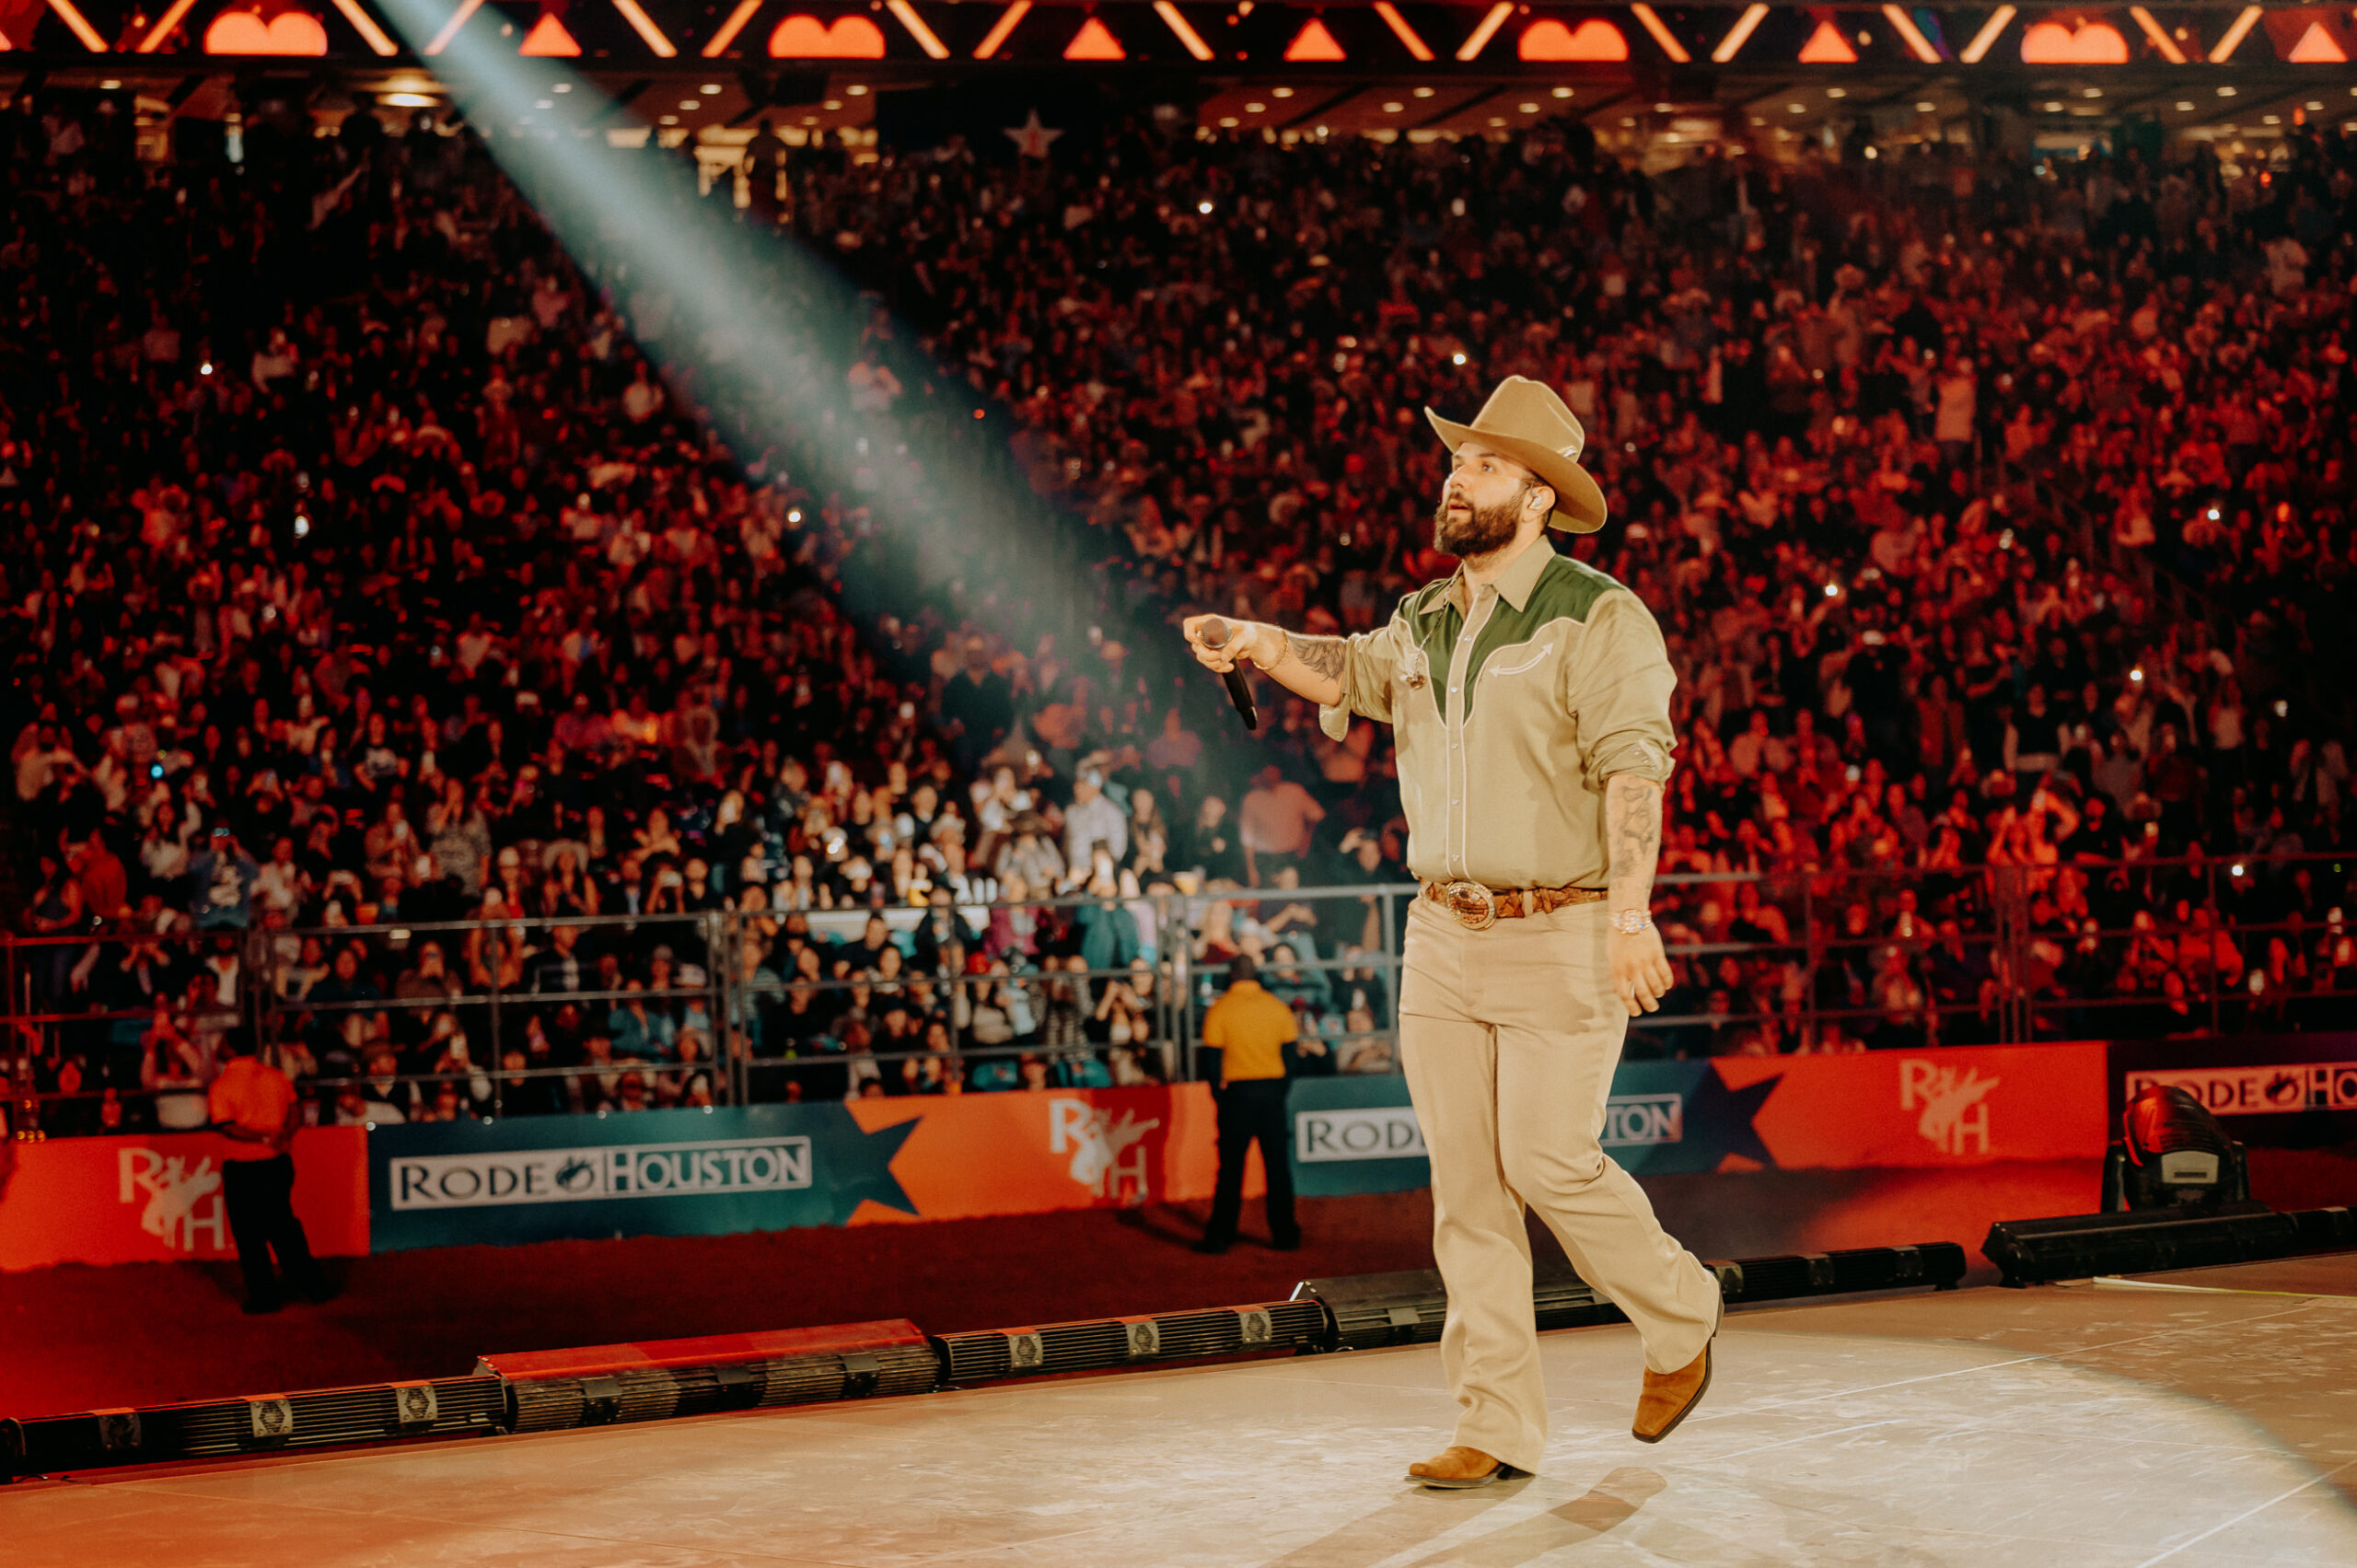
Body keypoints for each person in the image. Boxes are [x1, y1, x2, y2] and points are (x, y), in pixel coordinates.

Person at [1184, 377, 1720, 1486]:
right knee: (1468, 1189)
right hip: (1440, 933)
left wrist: (1632, 913)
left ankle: (1681, 1309)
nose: (1454, 478)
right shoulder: (1425, 617)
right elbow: (1350, 666)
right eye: (1454, 462)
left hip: (1563, 925)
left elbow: (1634, 769)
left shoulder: (1598, 614)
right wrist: (1254, 639)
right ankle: (1496, 1421)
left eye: (1480, 464)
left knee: (1549, 1159)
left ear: (1539, 494)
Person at [206, 1025, 328, 1314]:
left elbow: (228, 1127)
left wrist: (262, 1138)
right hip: (276, 1163)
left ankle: (264, 1297)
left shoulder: (221, 1085)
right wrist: (283, 1136)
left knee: (249, 1236)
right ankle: (314, 1286)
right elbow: (295, 1111)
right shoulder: (277, 1076)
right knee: (284, 1226)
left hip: (243, 1167)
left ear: (230, 1048)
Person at [1192, 955, 1299, 1255]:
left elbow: (1212, 1061)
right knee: (1277, 1166)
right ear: (1256, 975)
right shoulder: (1277, 1007)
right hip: (1272, 1093)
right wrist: (1280, 1091)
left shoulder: (1220, 1009)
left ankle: (1221, 1235)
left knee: (1230, 1168)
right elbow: (1291, 1058)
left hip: (1237, 1095)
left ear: (1231, 975)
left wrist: (1219, 1096)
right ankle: (1285, 1234)